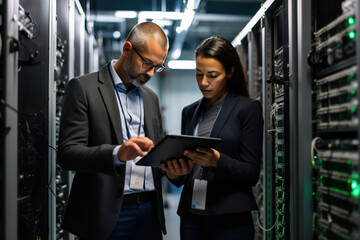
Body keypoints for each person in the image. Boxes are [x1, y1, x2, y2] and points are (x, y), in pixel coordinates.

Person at [58, 22, 168, 240]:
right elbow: (68, 154)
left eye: (158, 67)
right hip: (106, 214)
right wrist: (117, 154)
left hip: (149, 212)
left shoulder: (151, 98)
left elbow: (158, 153)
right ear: (127, 49)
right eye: (147, 63)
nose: (151, 73)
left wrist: (172, 166)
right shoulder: (84, 88)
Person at [161, 36, 264, 240]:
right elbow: (186, 171)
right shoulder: (189, 112)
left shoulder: (247, 109)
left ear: (230, 72)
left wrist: (217, 160)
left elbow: (251, 172)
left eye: (212, 75)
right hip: (191, 219)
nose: (204, 82)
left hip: (230, 221)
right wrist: (175, 173)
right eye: (199, 74)